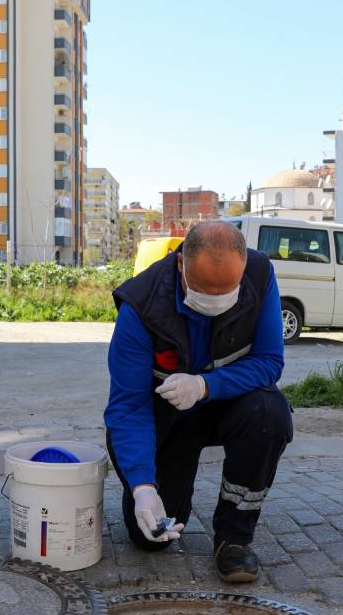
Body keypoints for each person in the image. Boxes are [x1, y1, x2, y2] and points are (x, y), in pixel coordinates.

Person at [104, 220, 293, 583]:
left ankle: (234, 538)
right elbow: (128, 408)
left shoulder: (259, 275)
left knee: (269, 413)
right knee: (151, 538)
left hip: (225, 404)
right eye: (205, 291)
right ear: (181, 265)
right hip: (166, 420)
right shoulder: (141, 307)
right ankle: (158, 493)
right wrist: (143, 487)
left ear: (242, 269)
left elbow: (270, 361)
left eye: (228, 292)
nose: (216, 302)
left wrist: (206, 385)